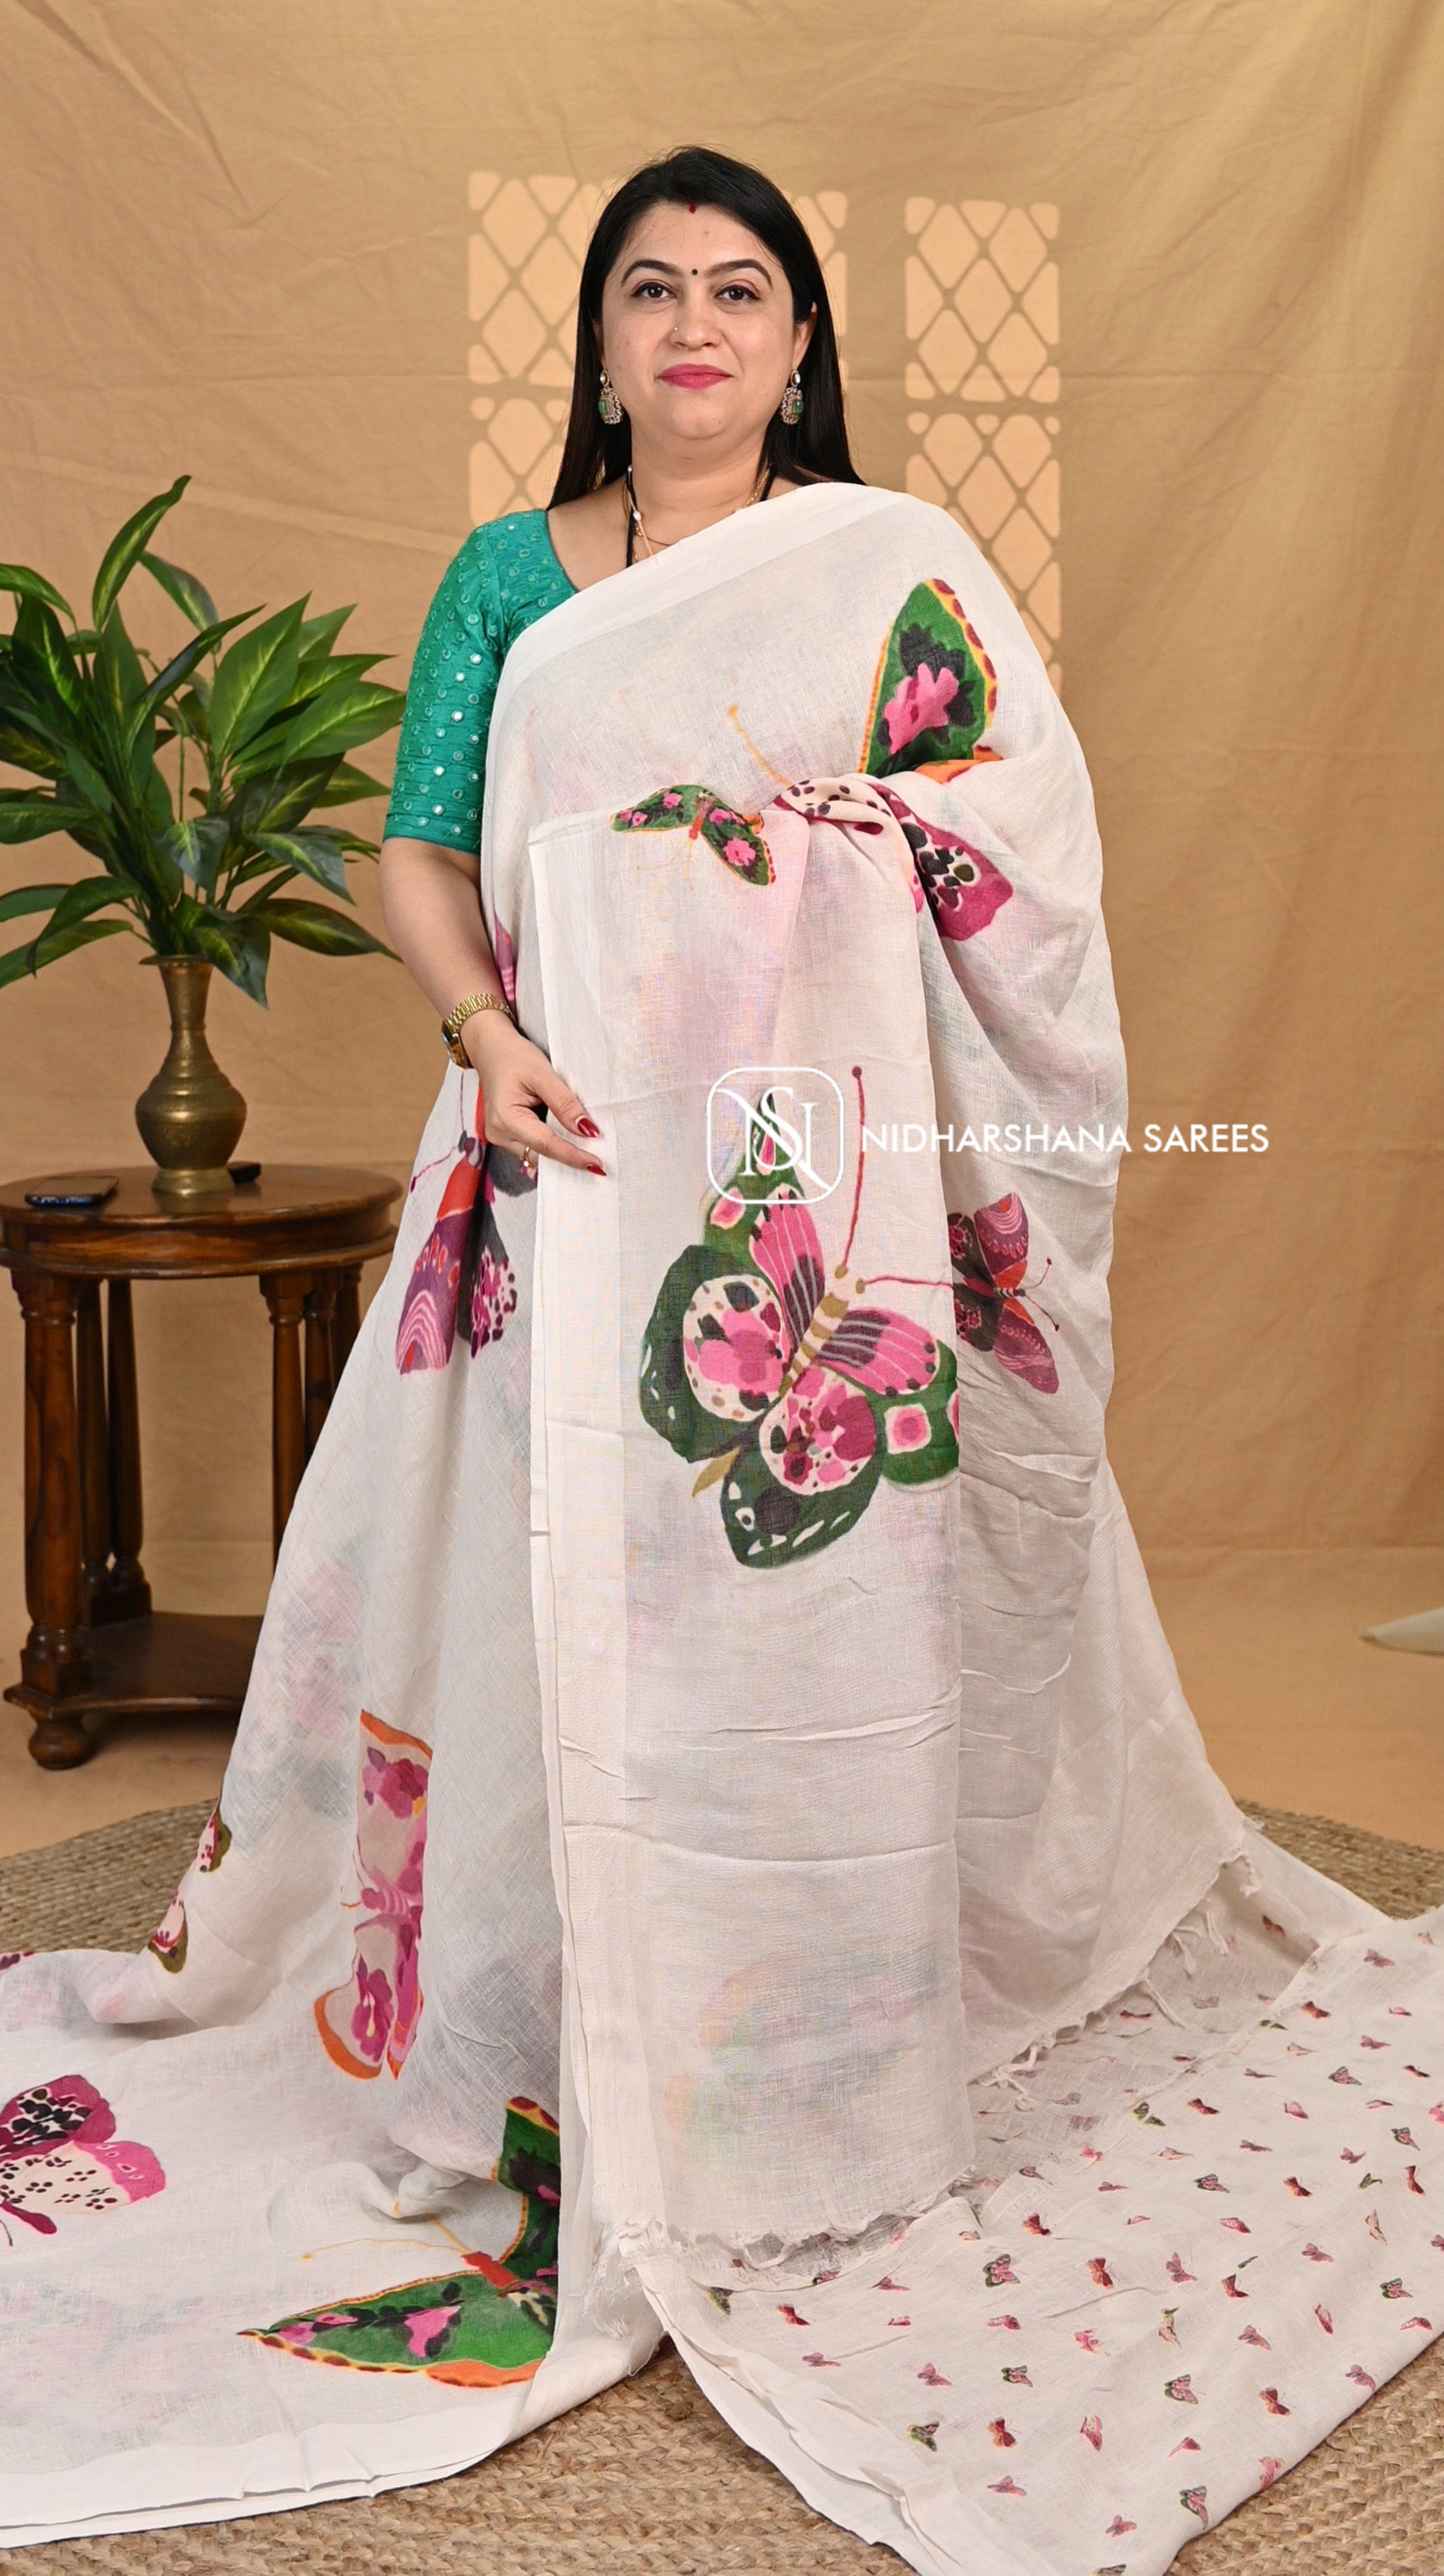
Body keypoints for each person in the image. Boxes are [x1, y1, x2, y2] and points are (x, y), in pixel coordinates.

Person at [1, 144, 1440, 2576]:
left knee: (784, 1583)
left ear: (795, 343)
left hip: (798, 1172)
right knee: (536, 1600)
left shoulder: (874, 566)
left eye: (739, 288)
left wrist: (820, 843)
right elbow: (419, 845)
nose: (692, 323)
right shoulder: (509, 575)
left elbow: (1010, 832)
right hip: (561, 1150)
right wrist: (484, 1032)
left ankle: (803, 2035)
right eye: (650, 286)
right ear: (598, 337)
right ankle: (539, 2024)